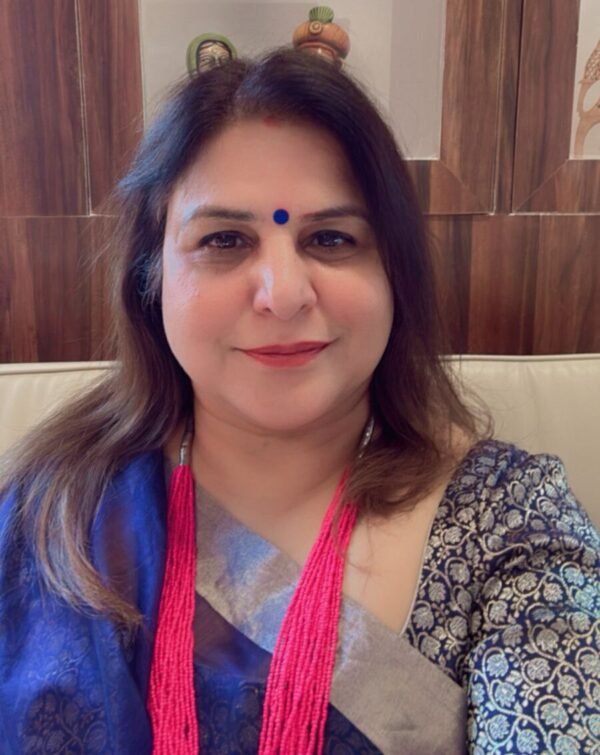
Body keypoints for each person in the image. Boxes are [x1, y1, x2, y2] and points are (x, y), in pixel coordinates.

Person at [0, 47, 598, 755]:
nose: (282, 294)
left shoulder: (509, 522)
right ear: (149, 278)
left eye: (330, 238)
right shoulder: (55, 513)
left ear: (396, 274)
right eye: (225, 239)